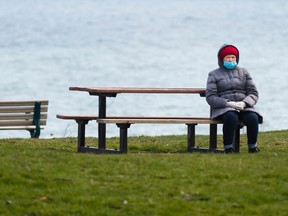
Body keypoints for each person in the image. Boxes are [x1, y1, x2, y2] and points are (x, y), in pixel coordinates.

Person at [205, 44, 263, 154]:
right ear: (221, 59)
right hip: (224, 108)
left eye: (233, 57)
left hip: (244, 106)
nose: (231, 60)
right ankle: (228, 148)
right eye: (228, 57)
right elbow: (211, 97)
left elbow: (253, 92)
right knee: (231, 116)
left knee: (253, 117)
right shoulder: (213, 74)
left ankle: (252, 147)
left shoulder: (244, 72)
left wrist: (245, 103)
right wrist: (229, 104)